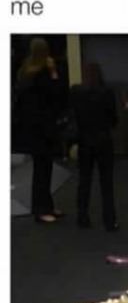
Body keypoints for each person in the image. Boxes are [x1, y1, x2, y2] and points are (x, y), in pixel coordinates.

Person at [15, 38, 64, 223]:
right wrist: (53, 71)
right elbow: (56, 93)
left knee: (41, 169)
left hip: (31, 127)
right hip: (43, 128)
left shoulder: (24, 71)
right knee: (44, 171)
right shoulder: (42, 73)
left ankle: (46, 206)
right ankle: (41, 210)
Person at [70, 63, 119, 231]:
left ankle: (82, 217)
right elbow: (113, 119)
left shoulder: (76, 92)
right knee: (106, 184)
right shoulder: (107, 92)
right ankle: (109, 221)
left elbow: (73, 115)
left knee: (84, 181)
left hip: (84, 141)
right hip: (104, 141)